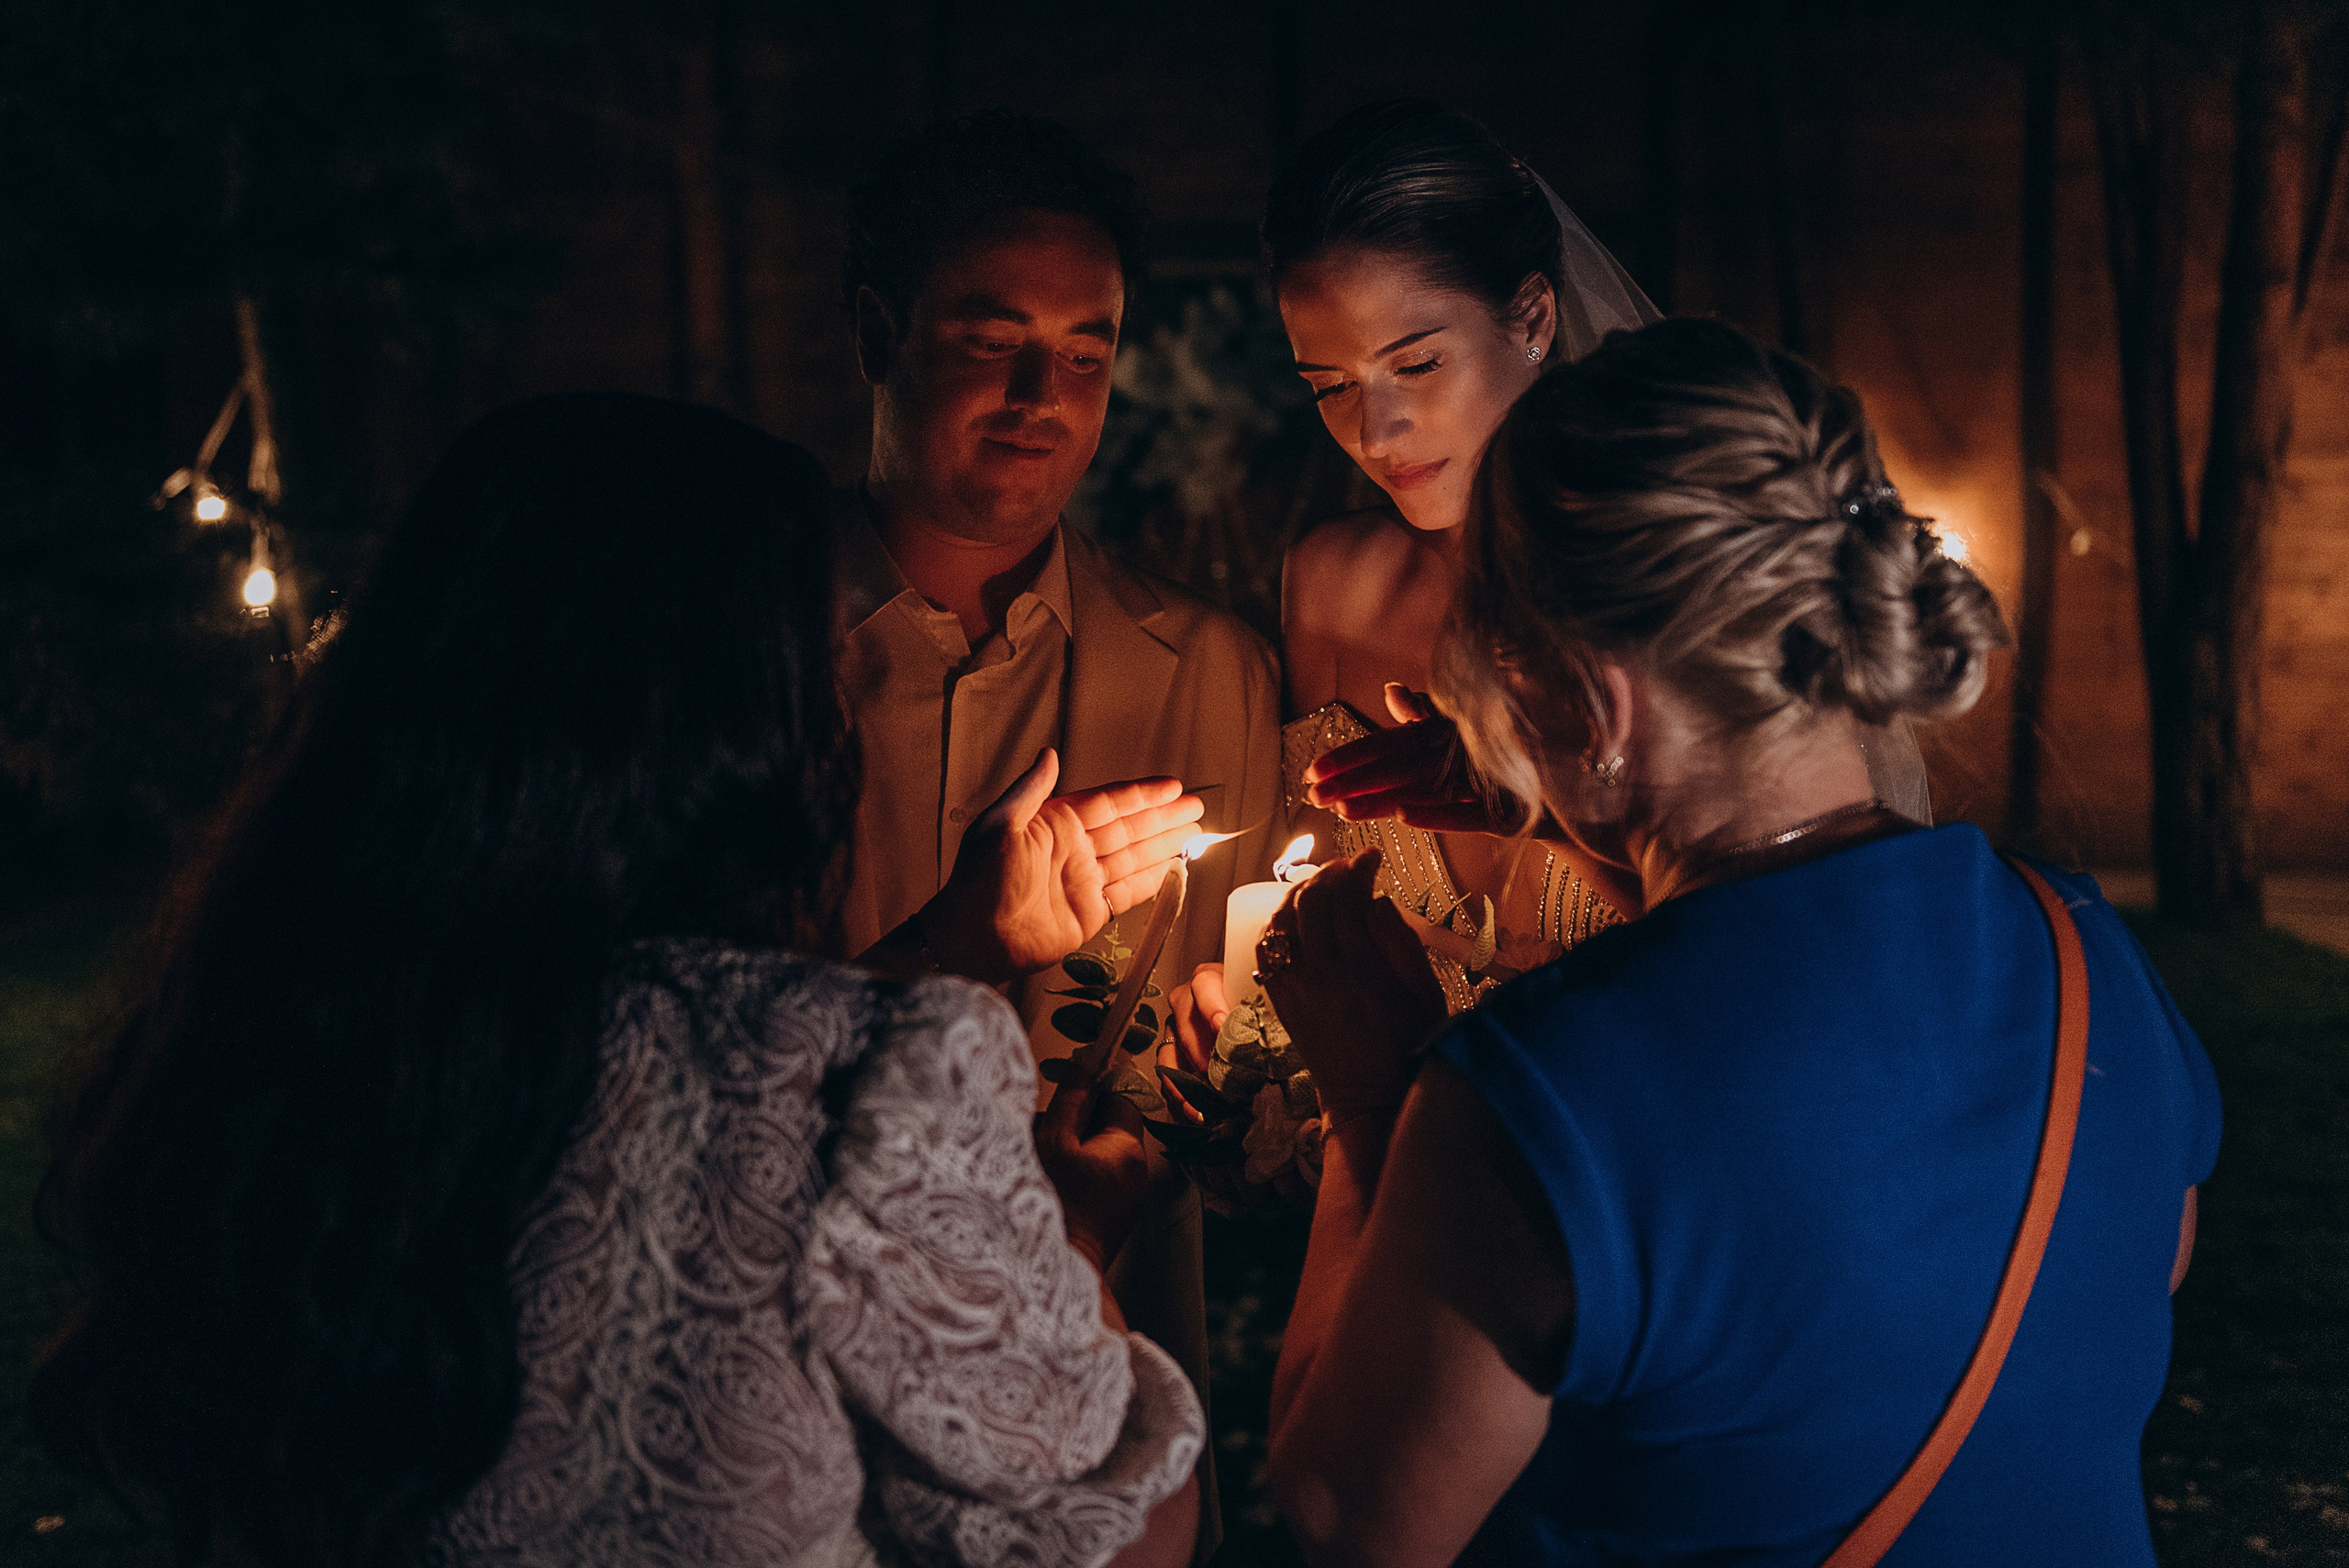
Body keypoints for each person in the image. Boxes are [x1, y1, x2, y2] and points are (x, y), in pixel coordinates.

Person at [33, 395, 1203, 1568]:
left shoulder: (284, 1033)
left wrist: (951, 936)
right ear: (734, 706)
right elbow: (1128, 1531)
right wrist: (1074, 1241)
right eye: (825, 651)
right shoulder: (866, 1074)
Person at [1255, 320, 2220, 1564]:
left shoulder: (1539, 1092)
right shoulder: (2091, 957)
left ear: (1595, 697)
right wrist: (1581, 800)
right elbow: (2132, 1270)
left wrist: (1369, 1100)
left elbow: (1352, 1517)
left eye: (1499, 667)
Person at [1171, 101, 1927, 1069]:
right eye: (1330, 384)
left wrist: (1557, 822)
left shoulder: (1683, 597)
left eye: (1417, 362)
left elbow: (1810, 943)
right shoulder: (1330, 587)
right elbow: (1314, 915)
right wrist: (1258, 1045)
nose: (1376, 429)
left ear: (1531, 316)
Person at [829, 109, 1285, 1548]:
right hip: (797, 1393)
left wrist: (1249, 1096)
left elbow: (1247, 1108)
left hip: (1094, 1414)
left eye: (1086, 352)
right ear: (876, 336)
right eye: (990, 335)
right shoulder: (737, 658)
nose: (1043, 390)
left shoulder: (1204, 672)